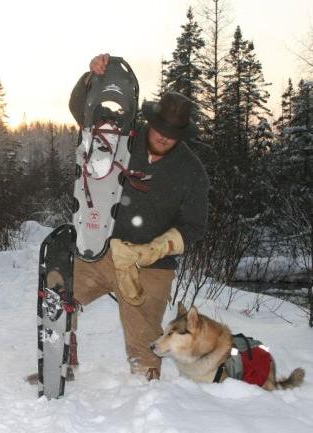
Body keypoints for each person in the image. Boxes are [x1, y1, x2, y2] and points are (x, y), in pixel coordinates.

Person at [68, 53, 210, 381]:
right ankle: (61, 352)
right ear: (151, 122)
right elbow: (84, 111)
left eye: (172, 134)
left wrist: (153, 250)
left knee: (144, 346)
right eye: (160, 129)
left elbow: (194, 226)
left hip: (151, 266)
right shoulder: (122, 135)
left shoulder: (191, 171)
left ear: (182, 135)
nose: (163, 137)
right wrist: (91, 77)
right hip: (103, 251)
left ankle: (147, 397)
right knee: (60, 289)